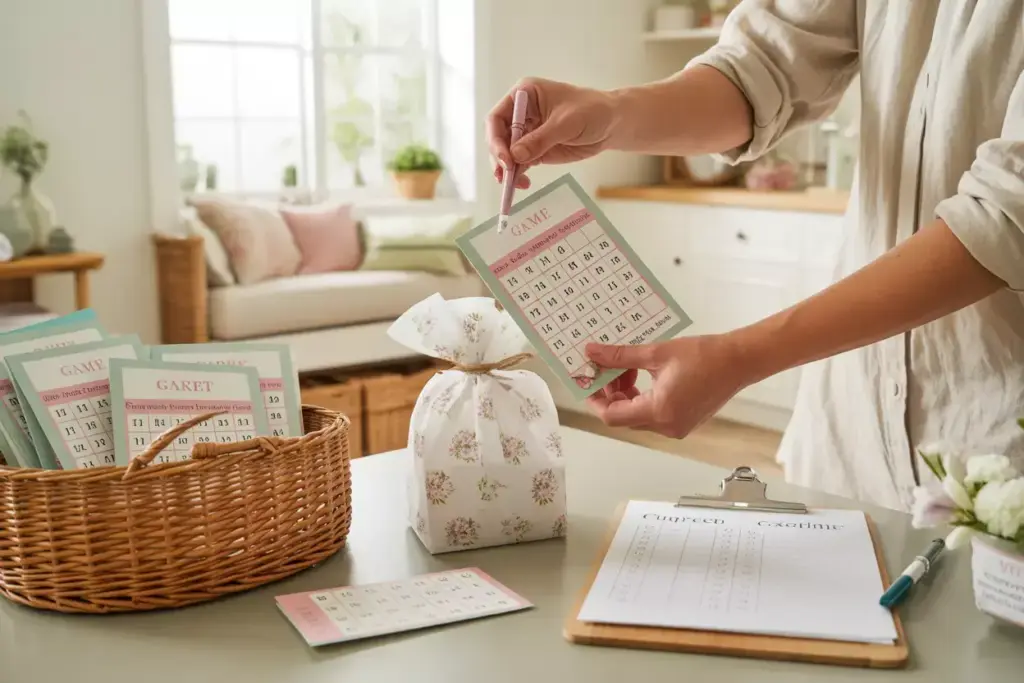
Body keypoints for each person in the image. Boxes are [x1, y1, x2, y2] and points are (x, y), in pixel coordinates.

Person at [486, 0, 1024, 513]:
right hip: (848, 435)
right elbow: (760, 69)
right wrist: (613, 112)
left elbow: (1004, 216)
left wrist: (739, 357)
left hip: (994, 440)